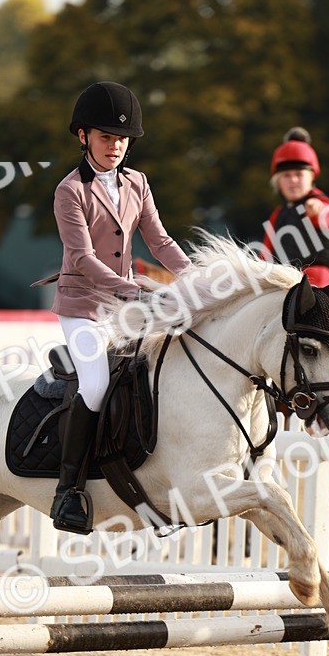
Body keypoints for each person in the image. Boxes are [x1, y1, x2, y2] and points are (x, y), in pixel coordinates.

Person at [49, 80, 192, 535]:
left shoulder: (138, 183)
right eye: (107, 137)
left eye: (122, 138)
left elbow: (160, 240)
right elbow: (83, 258)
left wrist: (195, 278)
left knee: (158, 372)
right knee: (95, 385)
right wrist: (132, 289)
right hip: (83, 306)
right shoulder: (69, 191)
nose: (116, 146)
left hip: (124, 304)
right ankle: (68, 490)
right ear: (83, 136)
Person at [262, 128, 329, 286]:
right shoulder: (278, 214)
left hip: (318, 282)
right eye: (286, 175)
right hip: (285, 283)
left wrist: (316, 210)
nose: (293, 180)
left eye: (299, 174)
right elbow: (265, 254)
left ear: (312, 176)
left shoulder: (322, 204)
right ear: (277, 182)